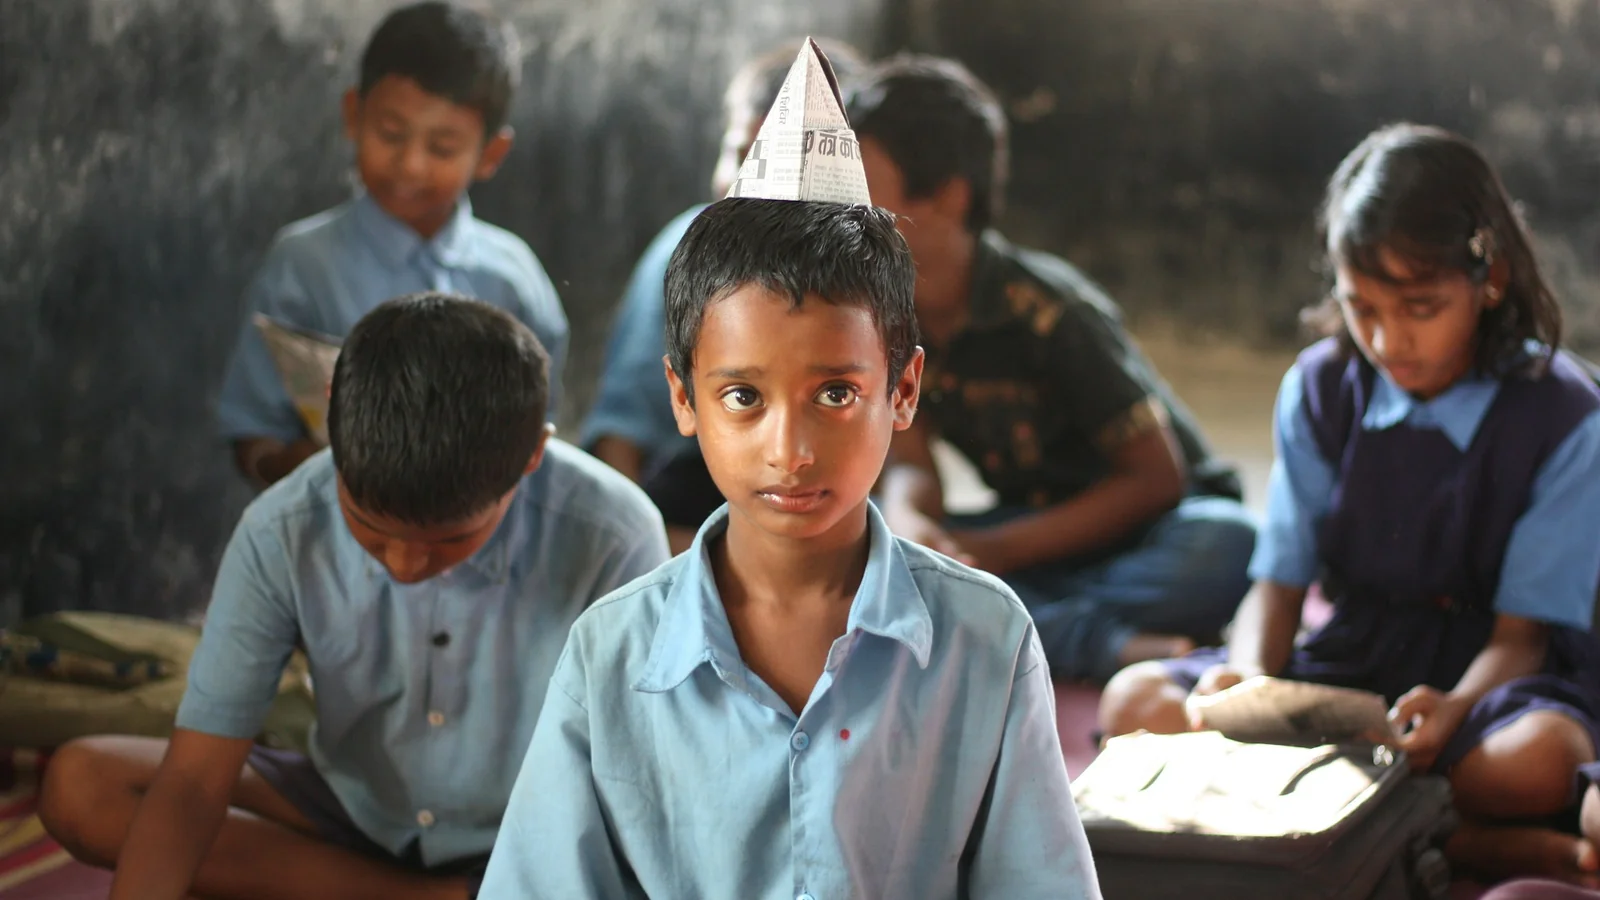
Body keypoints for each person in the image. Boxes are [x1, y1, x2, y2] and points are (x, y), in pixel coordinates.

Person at [478, 41, 1100, 899]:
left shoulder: (983, 642)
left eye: (837, 394)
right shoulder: (613, 657)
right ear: (682, 398)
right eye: (742, 397)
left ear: (905, 388)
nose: (790, 449)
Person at [39, 294, 669, 900]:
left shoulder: (612, 534)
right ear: (332, 414)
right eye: (368, 528)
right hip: (354, 808)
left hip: (532, 830)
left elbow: (634, 783)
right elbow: (199, 777)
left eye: (449, 541)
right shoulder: (282, 527)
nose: (402, 565)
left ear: (532, 452)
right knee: (84, 785)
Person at [1099, 123, 1600, 883]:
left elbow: (1523, 636)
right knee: (1135, 701)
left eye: (1422, 308)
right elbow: (1278, 583)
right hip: (1355, 658)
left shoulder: (1564, 412)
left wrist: (1458, 707)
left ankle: (1366, 823)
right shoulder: (1320, 387)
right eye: (1361, 306)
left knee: (1533, 764)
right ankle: (1454, 837)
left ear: (1488, 279)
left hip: (1490, 674)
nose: (1388, 338)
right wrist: (1246, 682)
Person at [848, 56, 1256, 683]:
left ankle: (1036, 631)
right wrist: (915, 523)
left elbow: (1156, 479)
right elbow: (911, 461)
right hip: (1035, 533)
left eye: (863, 184)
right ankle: (1108, 643)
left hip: (1150, 528)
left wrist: (991, 552)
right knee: (879, 558)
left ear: (945, 198)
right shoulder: (887, 309)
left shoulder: (1051, 313)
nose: (843, 205)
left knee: (1227, 543)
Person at [218, 1, 569, 488]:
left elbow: (540, 437)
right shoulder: (303, 265)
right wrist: (307, 469)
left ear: (490, 154)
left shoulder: (513, 280)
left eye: (442, 147)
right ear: (353, 115)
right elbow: (254, 436)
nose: (412, 165)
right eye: (391, 133)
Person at [582, 39, 866, 554]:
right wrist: (651, 550)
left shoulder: (865, 268)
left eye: (776, 160)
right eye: (739, 152)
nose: (748, 184)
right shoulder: (684, 251)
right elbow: (619, 440)